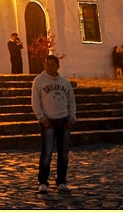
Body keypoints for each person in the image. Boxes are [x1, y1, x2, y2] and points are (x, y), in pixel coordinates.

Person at [31, 53, 77, 194]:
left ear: (58, 66)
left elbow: (71, 101)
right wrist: (41, 117)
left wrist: (72, 117)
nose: (49, 67)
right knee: (47, 153)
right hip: (48, 121)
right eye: (47, 64)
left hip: (63, 120)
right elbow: (35, 101)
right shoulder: (39, 81)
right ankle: (43, 181)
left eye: (52, 64)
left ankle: (61, 181)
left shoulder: (65, 82)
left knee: (64, 154)